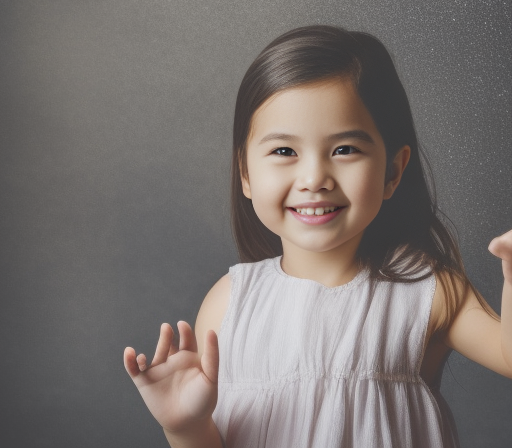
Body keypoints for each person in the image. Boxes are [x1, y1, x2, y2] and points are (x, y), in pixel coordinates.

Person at [123, 25, 512, 448]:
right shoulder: (229, 303)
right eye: (284, 151)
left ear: (393, 172)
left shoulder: (428, 290)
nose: (314, 179)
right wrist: (185, 427)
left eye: (344, 149)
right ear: (246, 173)